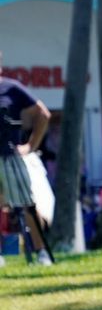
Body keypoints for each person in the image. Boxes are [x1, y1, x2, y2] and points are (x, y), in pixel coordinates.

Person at [0, 51, 53, 266]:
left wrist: (31, 146)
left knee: (26, 205)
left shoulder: (11, 88)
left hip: (10, 157)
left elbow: (43, 114)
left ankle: (42, 253)